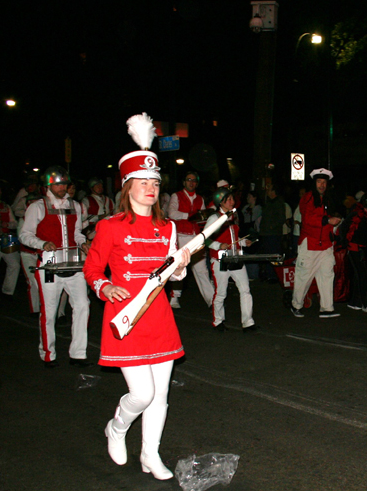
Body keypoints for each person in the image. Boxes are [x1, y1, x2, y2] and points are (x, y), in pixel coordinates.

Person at [83, 115, 190, 480]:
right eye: (141, 181)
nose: (149, 187)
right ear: (127, 186)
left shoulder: (168, 226)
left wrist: (180, 266)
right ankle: (117, 426)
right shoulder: (109, 226)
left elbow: (174, 275)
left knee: (161, 397)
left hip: (159, 316)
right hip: (125, 317)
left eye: (154, 182)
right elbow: (92, 270)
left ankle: (150, 455)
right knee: (142, 394)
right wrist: (105, 287)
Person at [19, 166, 91, 368]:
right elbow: (25, 234)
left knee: (83, 305)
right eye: (58, 184)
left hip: (73, 264)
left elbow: (77, 232)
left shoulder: (75, 206)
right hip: (50, 265)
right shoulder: (37, 207)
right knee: (49, 311)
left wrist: (82, 242)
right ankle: (48, 353)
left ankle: (78, 353)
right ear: (49, 186)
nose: (63, 188)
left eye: (65, 184)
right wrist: (41, 244)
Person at [289, 168, 342, 318]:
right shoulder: (307, 197)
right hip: (310, 244)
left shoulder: (328, 198)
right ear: (314, 183)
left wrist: (334, 225)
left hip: (325, 245)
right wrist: (327, 220)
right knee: (303, 276)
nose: (322, 185)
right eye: (319, 182)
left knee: (327, 275)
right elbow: (307, 218)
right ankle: (296, 305)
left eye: (324, 182)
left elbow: (331, 217)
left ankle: (327, 308)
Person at [205, 187, 256, 333]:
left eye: (232, 199)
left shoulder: (234, 216)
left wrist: (242, 242)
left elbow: (234, 238)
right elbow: (205, 240)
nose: (232, 202)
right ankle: (218, 321)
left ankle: (248, 322)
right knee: (221, 293)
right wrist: (219, 245)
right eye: (228, 200)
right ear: (220, 202)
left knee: (245, 289)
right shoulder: (214, 218)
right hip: (220, 260)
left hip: (235, 257)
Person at [166, 171, 214, 308]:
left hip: (196, 236)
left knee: (201, 269)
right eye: (189, 180)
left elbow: (202, 217)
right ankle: (175, 297)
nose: (191, 182)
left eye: (194, 180)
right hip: (180, 235)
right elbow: (172, 213)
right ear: (184, 182)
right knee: (179, 267)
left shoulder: (200, 198)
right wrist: (191, 215)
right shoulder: (176, 196)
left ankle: (212, 300)